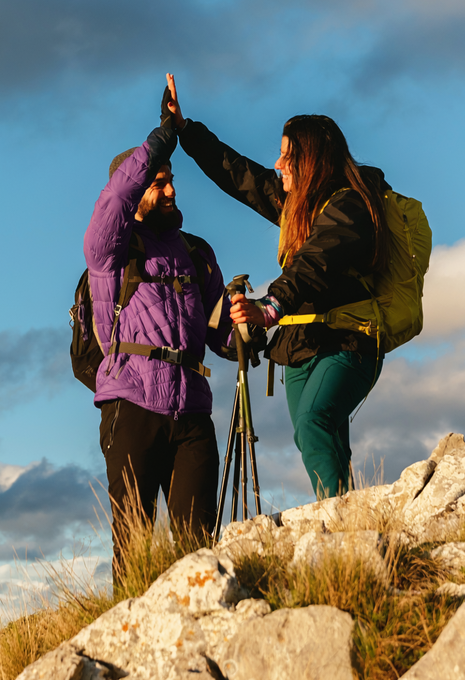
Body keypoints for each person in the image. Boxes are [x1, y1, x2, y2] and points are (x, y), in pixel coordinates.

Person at [164, 74, 389, 501]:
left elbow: (314, 261)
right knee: (320, 436)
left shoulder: (351, 205)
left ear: (313, 161)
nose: (278, 164)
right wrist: (185, 130)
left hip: (348, 341)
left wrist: (269, 307)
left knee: (313, 423)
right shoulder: (296, 204)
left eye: (288, 155)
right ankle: (349, 514)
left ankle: (341, 521)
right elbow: (239, 174)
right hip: (301, 344)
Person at [84, 91, 234, 581]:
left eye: (172, 182)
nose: (170, 191)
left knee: (200, 549)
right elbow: (115, 200)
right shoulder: (111, 250)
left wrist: (252, 328)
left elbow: (223, 337)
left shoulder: (197, 252)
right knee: (133, 547)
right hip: (131, 407)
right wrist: (163, 138)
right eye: (158, 182)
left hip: (192, 412)